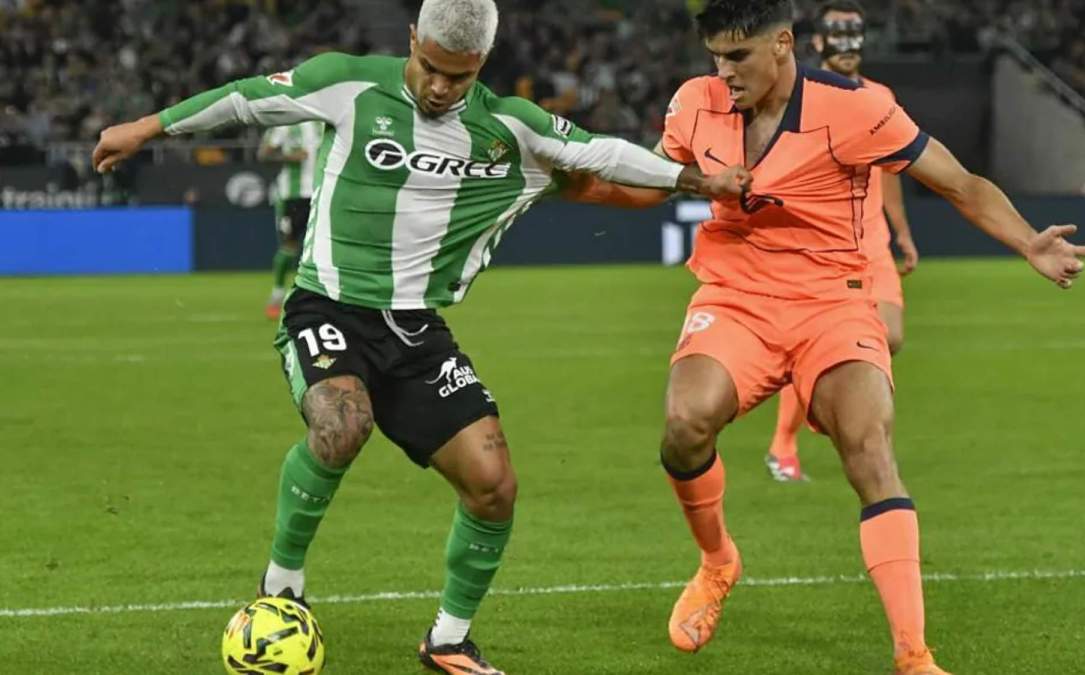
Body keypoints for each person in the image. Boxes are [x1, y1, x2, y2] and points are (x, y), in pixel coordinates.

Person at [92, 1, 747, 673]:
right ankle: (281, 582)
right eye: (429, 68)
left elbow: (602, 154)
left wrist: (700, 180)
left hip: (416, 331)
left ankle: (449, 641)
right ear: (412, 40)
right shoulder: (348, 81)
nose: (438, 87)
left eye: (457, 78)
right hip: (328, 304)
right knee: (343, 424)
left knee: (493, 482)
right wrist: (144, 129)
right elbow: (247, 100)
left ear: (480, 68)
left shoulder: (510, 129)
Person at [562, 1, 1085, 672]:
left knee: (870, 447)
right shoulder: (695, 102)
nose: (724, 72)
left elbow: (958, 183)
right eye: (716, 57)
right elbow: (655, 186)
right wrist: (576, 187)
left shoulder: (855, 108)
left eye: (739, 56)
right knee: (684, 422)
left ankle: (914, 655)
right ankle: (719, 561)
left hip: (833, 302)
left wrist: (1027, 242)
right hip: (736, 296)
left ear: (783, 44)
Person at [766, 0, 920, 483]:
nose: (848, 46)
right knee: (819, 344)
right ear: (818, 42)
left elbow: (893, 168)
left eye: (855, 35)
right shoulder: (802, 97)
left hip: (871, 240)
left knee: (889, 335)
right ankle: (785, 444)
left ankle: (848, 415)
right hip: (825, 246)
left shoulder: (879, 95)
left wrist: (902, 231)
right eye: (838, 35)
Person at [258, 120, 323, 320]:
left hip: (323, 193)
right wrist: (290, 156)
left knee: (323, 249)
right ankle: (276, 297)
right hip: (292, 195)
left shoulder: (326, 122)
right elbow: (264, 154)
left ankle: (321, 302)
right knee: (289, 247)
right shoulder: (285, 124)